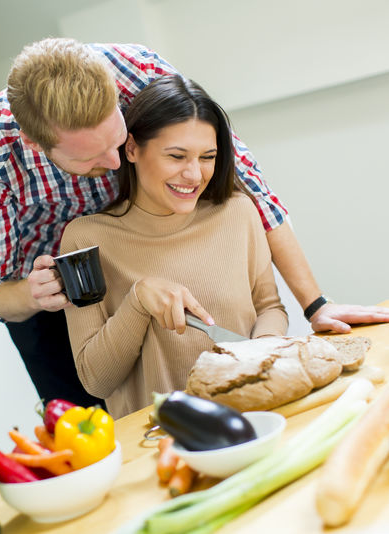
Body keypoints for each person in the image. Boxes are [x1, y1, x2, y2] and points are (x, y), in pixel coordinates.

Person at [0, 38, 389, 408]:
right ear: (35, 143)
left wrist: (315, 305)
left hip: (160, 237)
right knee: (89, 424)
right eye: (92, 159)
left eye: (119, 142)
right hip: (56, 291)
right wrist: (34, 293)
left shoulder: (139, 71)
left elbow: (255, 192)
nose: (117, 162)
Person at [60, 75, 288, 418]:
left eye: (207, 156)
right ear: (133, 148)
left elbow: (269, 306)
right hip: (160, 444)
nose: (195, 175)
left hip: (254, 416)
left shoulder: (237, 212)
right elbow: (96, 381)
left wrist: (261, 350)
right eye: (177, 156)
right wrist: (137, 301)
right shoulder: (85, 239)